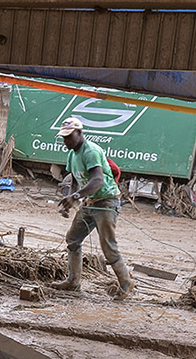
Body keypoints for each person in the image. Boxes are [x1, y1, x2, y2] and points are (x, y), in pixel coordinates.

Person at [50, 117, 134, 300]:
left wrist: (76, 196)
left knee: (108, 246)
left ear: (79, 133)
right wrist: (71, 199)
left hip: (106, 202)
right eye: (63, 138)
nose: (65, 141)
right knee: (72, 239)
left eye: (68, 137)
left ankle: (126, 283)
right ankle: (73, 281)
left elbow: (98, 180)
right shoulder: (72, 153)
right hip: (90, 203)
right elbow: (74, 178)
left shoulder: (91, 151)